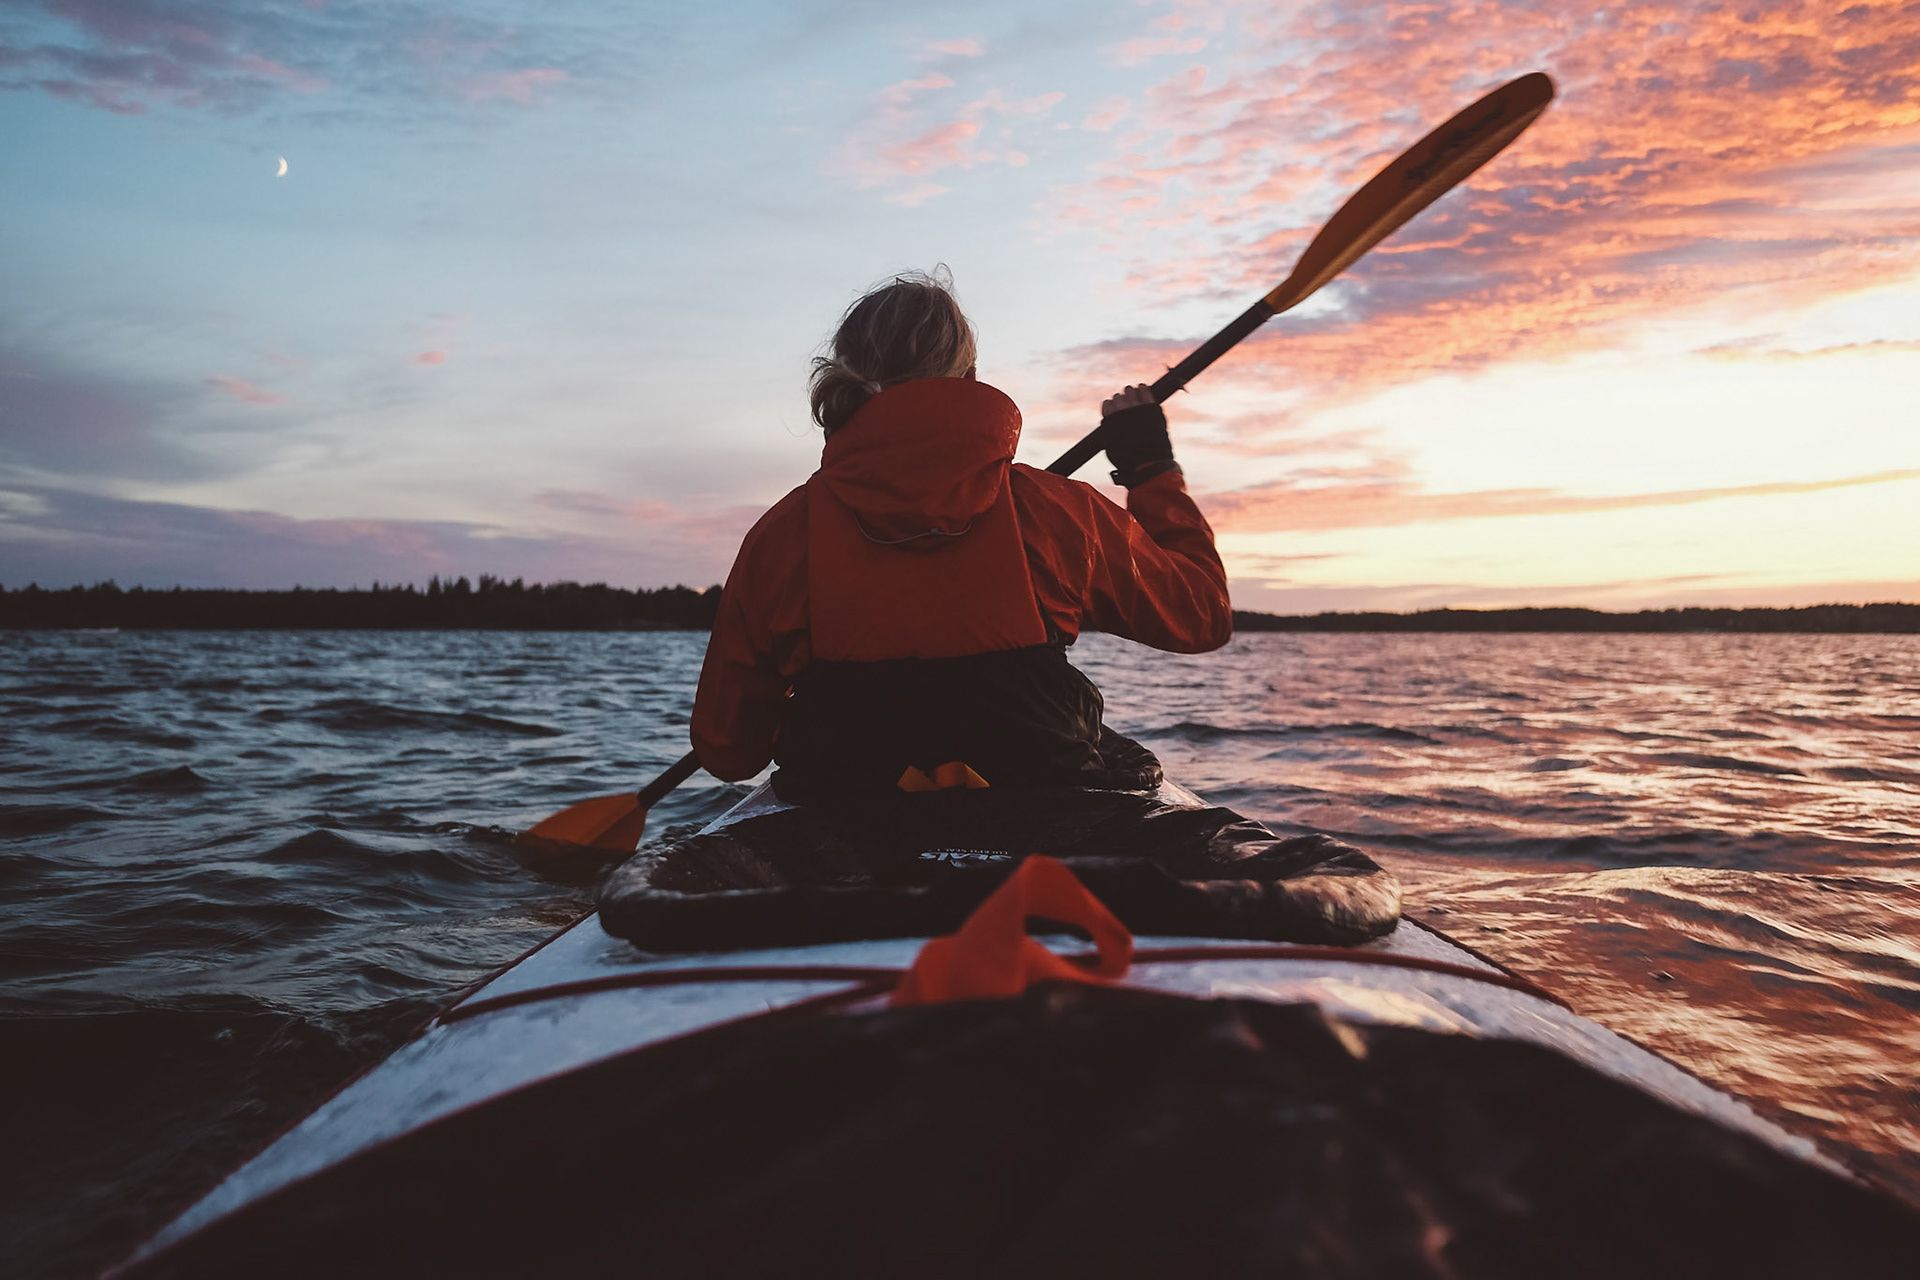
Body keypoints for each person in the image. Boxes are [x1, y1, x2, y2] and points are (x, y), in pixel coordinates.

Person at [690, 269, 1232, 801]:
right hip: (1037, 826)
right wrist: (1152, 469)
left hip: (852, 829)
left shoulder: (781, 537)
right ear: (970, 380)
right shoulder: (1057, 513)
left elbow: (728, 752)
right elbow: (1202, 614)